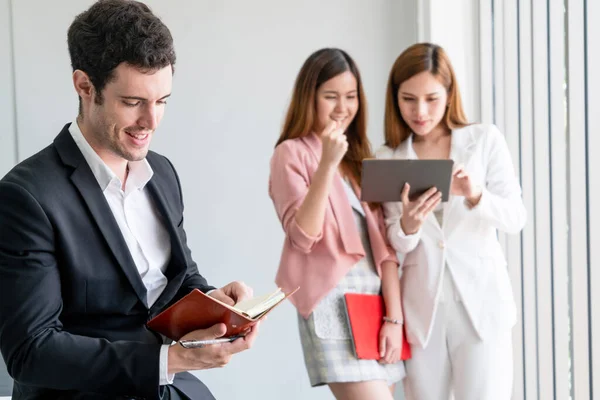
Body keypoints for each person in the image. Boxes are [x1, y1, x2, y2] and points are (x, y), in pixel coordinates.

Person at [0, 1, 259, 399]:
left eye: (162, 101)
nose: (151, 122)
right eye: (133, 102)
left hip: (169, 388)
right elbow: (31, 352)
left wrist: (216, 302)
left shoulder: (163, 173)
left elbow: (177, 280)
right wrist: (171, 361)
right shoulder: (27, 197)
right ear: (85, 86)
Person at [376, 42, 527, 400]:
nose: (421, 111)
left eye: (431, 98)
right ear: (395, 98)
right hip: (423, 312)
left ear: (449, 93)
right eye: (408, 99)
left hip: (482, 306)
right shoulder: (388, 157)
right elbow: (392, 243)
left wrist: (475, 195)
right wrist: (409, 225)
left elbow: (515, 217)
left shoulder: (484, 140)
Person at [269, 48, 405, 400]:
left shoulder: (361, 158)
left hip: (374, 305)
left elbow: (385, 250)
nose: (343, 107)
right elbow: (302, 236)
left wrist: (395, 318)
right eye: (331, 97)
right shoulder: (291, 153)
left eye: (350, 96)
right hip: (331, 301)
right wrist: (327, 164)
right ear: (309, 98)